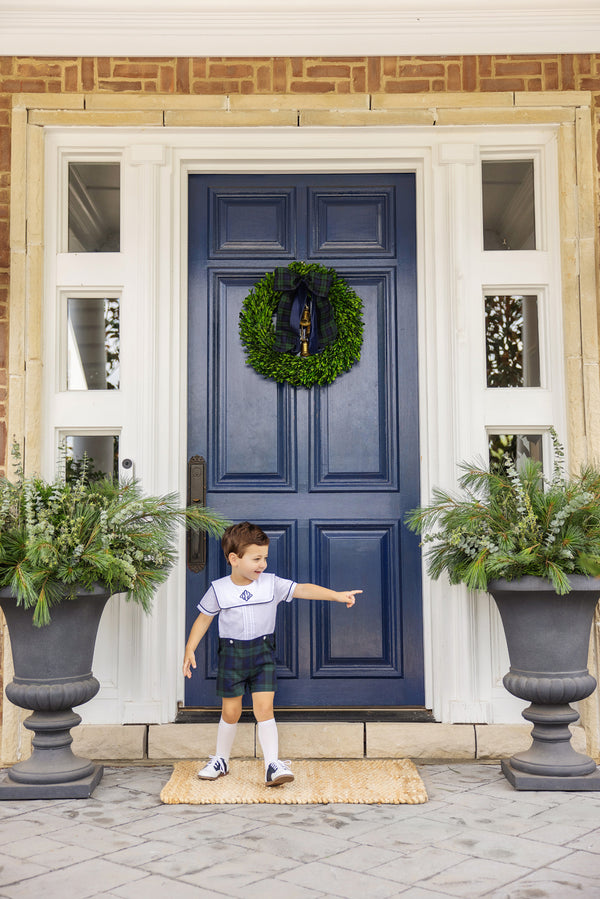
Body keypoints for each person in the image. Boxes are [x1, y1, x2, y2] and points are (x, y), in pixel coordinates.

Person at [183, 521, 361, 787]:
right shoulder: (219, 589)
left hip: (262, 654)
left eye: (265, 557)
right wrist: (189, 648)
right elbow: (203, 620)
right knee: (230, 711)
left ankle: (272, 765)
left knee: (264, 709)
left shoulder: (271, 584)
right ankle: (221, 759)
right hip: (231, 656)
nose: (262, 564)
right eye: (256, 558)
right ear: (234, 559)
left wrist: (336, 595)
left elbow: (302, 589)